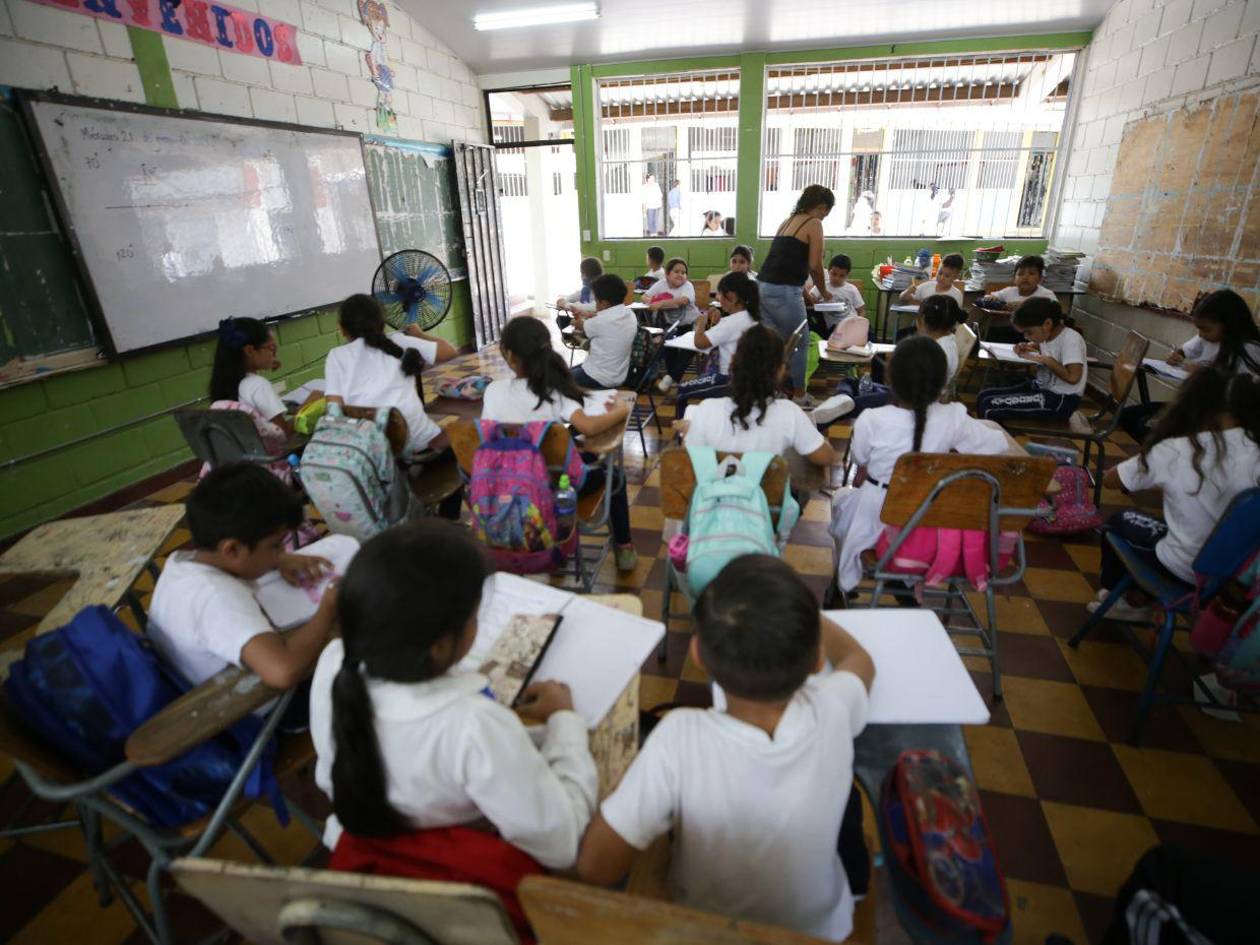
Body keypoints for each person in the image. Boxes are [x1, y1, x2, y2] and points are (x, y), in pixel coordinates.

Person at [575, 555, 875, 941]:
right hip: (817, 931)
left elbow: (595, 867)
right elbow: (858, 659)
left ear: (697, 656)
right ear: (817, 659)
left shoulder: (678, 739)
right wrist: (801, 619)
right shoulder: (832, 710)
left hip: (704, 930)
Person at [310, 521, 598, 913]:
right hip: (456, 900)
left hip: (365, 881)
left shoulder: (332, 665)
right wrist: (565, 721)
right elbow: (560, 842)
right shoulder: (473, 726)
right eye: (476, 616)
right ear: (442, 645)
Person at [830, 335, 1010, 593]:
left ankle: (842, 586)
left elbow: (860, 459)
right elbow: (997, 445)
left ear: (890, 378)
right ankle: (901, 583)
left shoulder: (872, 419)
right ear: (941, 383)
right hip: (930, 525)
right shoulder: (954, 418)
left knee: (840, 501)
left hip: (876, 519)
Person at [147, 464, 337, 695]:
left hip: (200, 682)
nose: (281, 551)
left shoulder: (184, 563)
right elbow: (283, 672)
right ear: (232, 549)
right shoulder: (217, 598)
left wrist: (278, 560)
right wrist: (329, 605)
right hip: (251, 710)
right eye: (275, 545)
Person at [1090, 369, 1260, 623]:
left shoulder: (1179, 448)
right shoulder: (1255, 451)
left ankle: (1128, 599)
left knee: (1119, 519)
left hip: (1184, 568)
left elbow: (1114, 480)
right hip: (1237, 578)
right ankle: (1138, 598)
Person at [483, 315, 638, 572]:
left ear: (509, 355)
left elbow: (491, 438)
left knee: (565, 451)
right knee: (616, 476)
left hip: (503, 486)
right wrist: (621, 410)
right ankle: (624, 548)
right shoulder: (555, 390)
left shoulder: (493, 391)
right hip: (554, 487)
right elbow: (588, 427)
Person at [677, 325, 843, 463]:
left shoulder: (706, 409)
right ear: (781, 370)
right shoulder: (789, 413)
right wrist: (811, 430)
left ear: (733, 363)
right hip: (766, 502)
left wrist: (690, 430)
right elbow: (826, 458)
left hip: (712, 500)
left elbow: (687, 462)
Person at [324, 293, 456, 456]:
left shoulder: (337, 356)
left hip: (375, 453)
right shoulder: (398, 341)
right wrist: (419, 335)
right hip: (423, 445)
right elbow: (450, 351)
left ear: (342, 329)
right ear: (382, 324)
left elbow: (334, 411)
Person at [1119, 289, 1258, 440]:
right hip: (1195, 408)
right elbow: (1186, 349)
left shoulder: (1250, 350)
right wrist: (1178, 354)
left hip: (1219, 418)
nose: (1201, 335)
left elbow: (1241, 394)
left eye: (1206, 329)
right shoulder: (1208, 337)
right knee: (1127, 416)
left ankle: (1159, 460)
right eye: (1198, 329)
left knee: (1145, 427)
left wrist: (1205, 373)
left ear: (1229, 325)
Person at [758, 184, 835, 406]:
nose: (824, 217)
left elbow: (781, 260)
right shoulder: (814, 223)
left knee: (777, 344)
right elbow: (815, 265)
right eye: (825, 212)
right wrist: (824, 292)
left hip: (763, 287)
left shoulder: (787, 222)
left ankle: (776, 392)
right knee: (800, 343)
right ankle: (800, 395)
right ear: (821, 207)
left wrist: (805, 292)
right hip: (783, 290)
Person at [974, 298, 1087, 422]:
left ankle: (999, 440)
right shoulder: (1047, 334)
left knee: (989, 406)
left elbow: (1073, 378)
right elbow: (1044, 345)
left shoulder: (1071, 340)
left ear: (1047, 324)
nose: (1027, 337)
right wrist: (1026, 346)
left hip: (1060, 401)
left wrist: (1047, 361)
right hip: (1041, 388)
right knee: (983, 396)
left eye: (1029, 332)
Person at [673, 271, 760, 416]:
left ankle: (683, 436)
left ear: (731, 296)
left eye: (720, 294)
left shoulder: (730, 323)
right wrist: (718, 322)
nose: (718, 298)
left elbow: (700, 343)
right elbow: (728, 333)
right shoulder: (750, 317)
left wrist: (700, 322)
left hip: (728, 380)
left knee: (682, 390)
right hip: (748, 378)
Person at [210, 317, 299, 436]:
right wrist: (308, 406)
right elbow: (283, 432)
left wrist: (265, 362)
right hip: (276, 452)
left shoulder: (228, 383)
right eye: (271, 347)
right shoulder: (258, 384)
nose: (275, 353)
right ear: (250, 351)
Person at [571, 273, 638, 391]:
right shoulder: (630, 315)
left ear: (604, 303)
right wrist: (590, 315)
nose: (595, 304)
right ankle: (585, 344)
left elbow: (580, 325)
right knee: (567, 372)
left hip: (596, 376)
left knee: (558, 380)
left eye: (596, 300)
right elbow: (607, 319)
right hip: (619, 375)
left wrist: (577, 320)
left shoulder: (600, 322)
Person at [647, 258, 702, 394]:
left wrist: (661, 303)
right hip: (670, 326)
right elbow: (645, 297)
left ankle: (669, 379)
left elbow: (683, 301)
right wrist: (656, 300)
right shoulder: (661, 284)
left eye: (684, 272)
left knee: (690, 348)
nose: (681, 275)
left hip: (689, 325)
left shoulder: (687, 286)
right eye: (676, 271)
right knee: (667, 347)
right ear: (667, 274)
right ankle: (671, 379)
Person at [805, 254, 867, 333]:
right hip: (832, 328)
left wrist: (858, 324)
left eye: (841, 276)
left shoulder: (852, 289)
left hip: (850, 324)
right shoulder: (822, 286)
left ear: (847, 275)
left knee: (869, 334)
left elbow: (861, 310)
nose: (836, 278)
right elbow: (811, 298)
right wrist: (815, 300)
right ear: (828, 271)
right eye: (834, 274)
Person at [982, 255, 1056, 311]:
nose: (1025, 277)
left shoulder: (1046, 295)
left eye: (1031, 273)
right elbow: (985, 299)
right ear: (1014, 278)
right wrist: (991, 298)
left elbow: (1054, 312)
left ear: (1040, 279)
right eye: (1021, 274)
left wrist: (1024, 306)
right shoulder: (1009, 291)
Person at [898, 252, 965, 308]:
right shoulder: (927, 286)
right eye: (940, 273)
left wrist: (923, 305)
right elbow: (902, 299)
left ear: (956, 277)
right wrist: (908, 292)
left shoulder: (956, 295)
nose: (941, 278)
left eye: (947, 276)